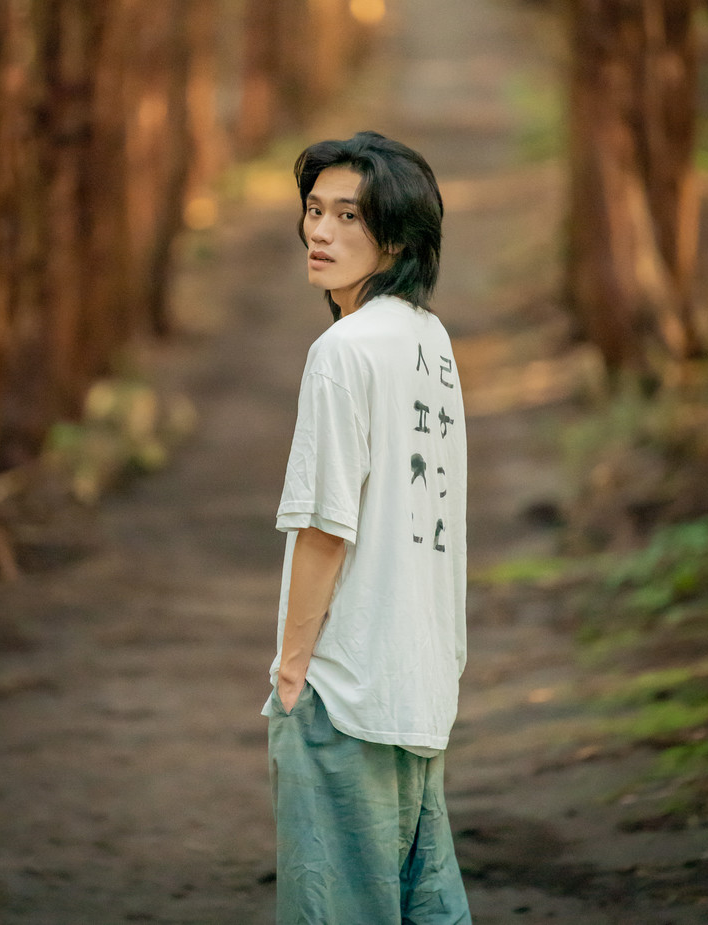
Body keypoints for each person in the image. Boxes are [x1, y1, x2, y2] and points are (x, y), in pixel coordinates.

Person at [262, 131, 471, 925]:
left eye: (349, 215)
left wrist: (291, 671)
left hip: (345, 688)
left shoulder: (342, 350)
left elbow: (326, 527)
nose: (320, 231)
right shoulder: (429, 339)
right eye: (315, 210)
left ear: (398, 238)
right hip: (419, 683)